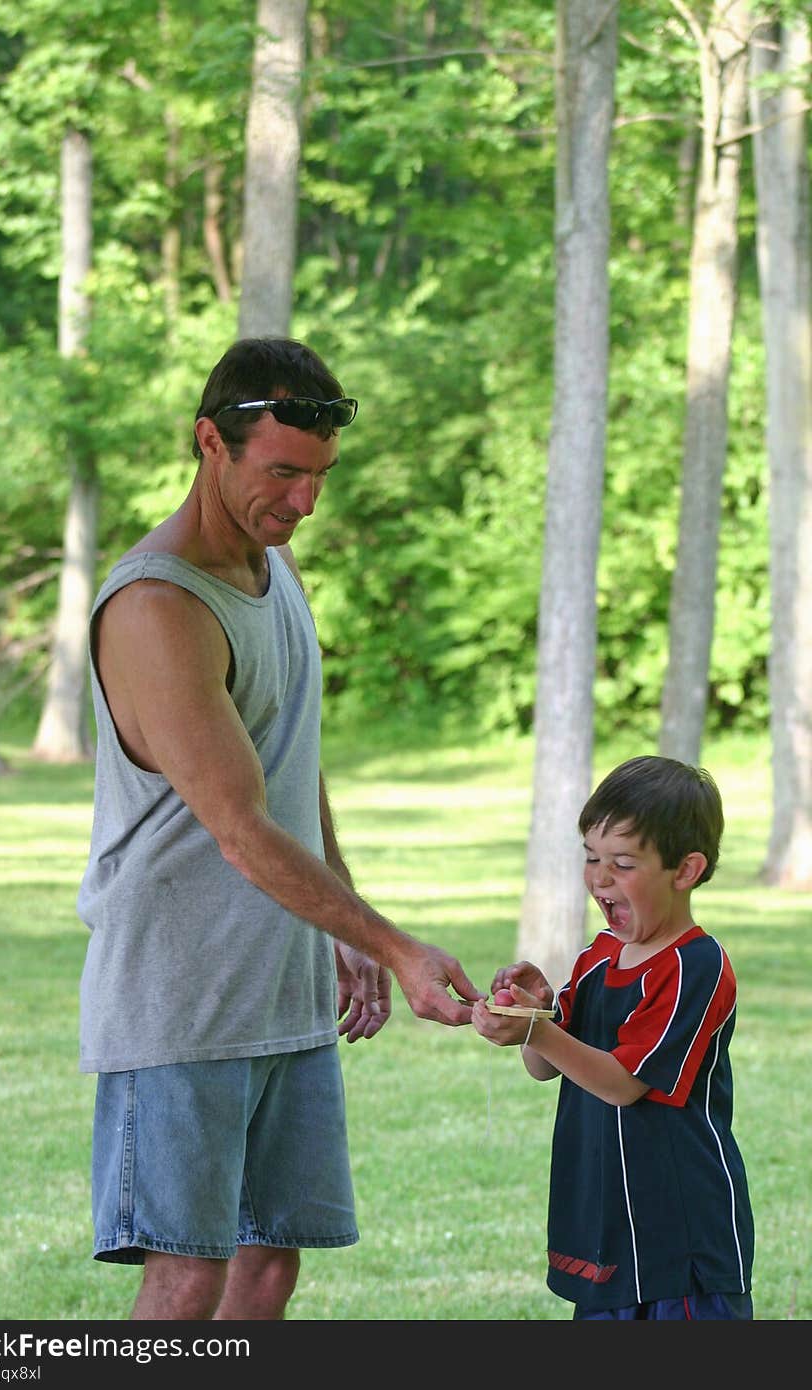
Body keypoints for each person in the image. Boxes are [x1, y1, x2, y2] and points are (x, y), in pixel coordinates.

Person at [76, 335, 484, 1320]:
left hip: (279, 981)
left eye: (320, 477)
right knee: (187, 1274)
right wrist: (391, 946)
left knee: (271, 1261)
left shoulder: (273, 567)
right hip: (184, 993)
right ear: (209, 441)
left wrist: (339, 931)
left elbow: (293, 769)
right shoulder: (157, 606)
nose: (304, 502)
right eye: (283, 473)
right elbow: (239, 828)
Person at [472, 755, 754, 1321]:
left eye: (622, 863)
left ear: (686, 870)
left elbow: (624, 1084)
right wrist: (539, 1012)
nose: (600, 878)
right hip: (606, 1221)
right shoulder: (599, 957)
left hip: (680, 1236)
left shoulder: (694, 966)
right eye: (592, 857)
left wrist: (540, 1030)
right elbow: (544, 1067)